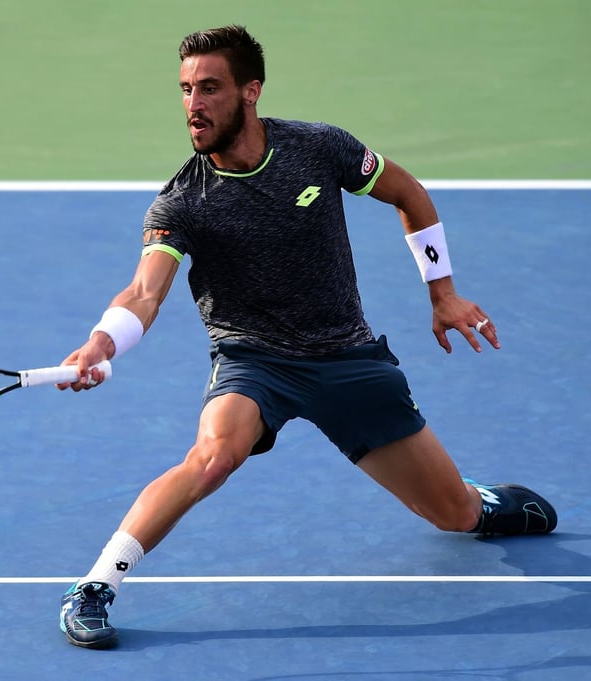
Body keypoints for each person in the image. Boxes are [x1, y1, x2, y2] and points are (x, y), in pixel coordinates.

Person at [56, 24, 556, 650]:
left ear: (250, 92)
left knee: (452, 516)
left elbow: (408, 192)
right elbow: (144, 292)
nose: (193, 104)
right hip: (254, 361)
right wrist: (104, 340)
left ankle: (478, 503)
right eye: (185, 90)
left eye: (209, 88)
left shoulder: (318, 148)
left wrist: (443, 293)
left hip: (348, 357)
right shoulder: (182, 203)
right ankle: (96, 586)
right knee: (212, 458)